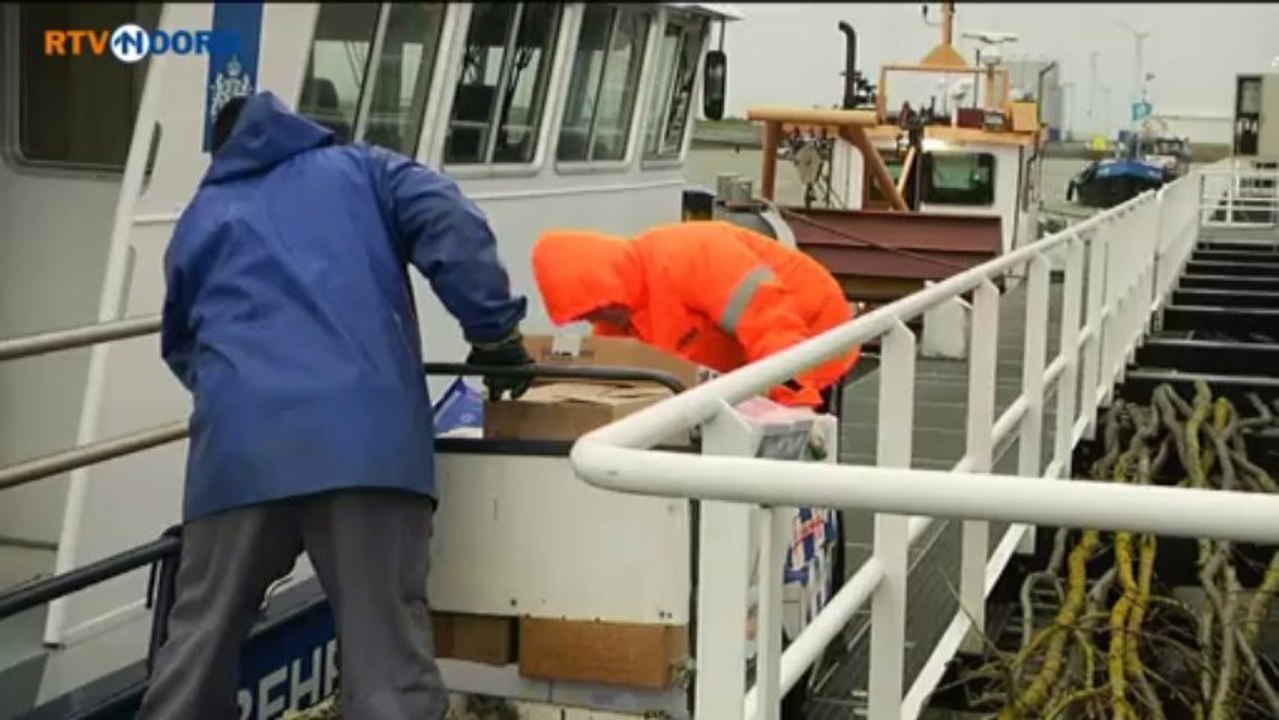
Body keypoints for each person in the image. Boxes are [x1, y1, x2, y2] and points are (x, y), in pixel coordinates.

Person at [141, 90, 532, 720]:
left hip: (239, 457)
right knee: (385, 657)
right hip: (366, 451)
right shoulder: (367, 169)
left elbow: (183, 343)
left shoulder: (201, 215)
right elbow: (450, 222)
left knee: (198, 645)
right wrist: (493, 334)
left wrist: (247, 404)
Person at [531, 221, 860, 411]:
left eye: (595, 308)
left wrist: (798, 401)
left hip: (815, 335)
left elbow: (773, 328)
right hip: (748, 368)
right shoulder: (618, 316)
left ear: (609, 284)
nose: (595, 318)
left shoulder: (694, 259)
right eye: (586, 314)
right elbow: (611, 376)